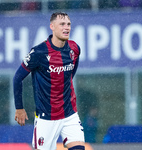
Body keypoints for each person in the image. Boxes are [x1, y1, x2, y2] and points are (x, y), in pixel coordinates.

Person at [13, 12, 85, 150]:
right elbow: (17, 78)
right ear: (52, 26)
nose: (67, 27)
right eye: (62, 24)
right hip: (46, 118)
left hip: (69, 113)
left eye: (69, 24)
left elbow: (71, 74)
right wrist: (19, 108)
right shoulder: (38, 52)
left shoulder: (74, 48)